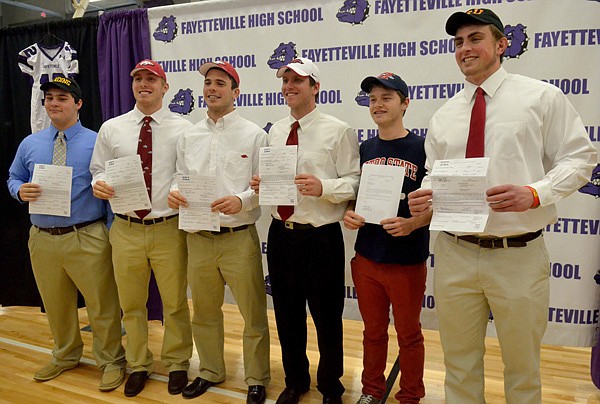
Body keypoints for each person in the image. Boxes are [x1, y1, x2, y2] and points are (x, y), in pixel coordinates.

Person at [407, 9, 597, 404]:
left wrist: (535, 192)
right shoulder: (445, 114)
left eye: (475, 38)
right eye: (458, 42)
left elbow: (580, 158)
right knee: (458, 366)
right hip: (454, 252)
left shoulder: (541, 97)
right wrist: (425, 195)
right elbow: (434, 174)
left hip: (517, 255)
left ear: (501, 44)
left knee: (523, 369)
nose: (465, 49)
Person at [251, 57, 360, 404]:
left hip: (321, 237)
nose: (289, 87)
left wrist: (323, 187)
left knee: (328, 317)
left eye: (298, 81)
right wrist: (262, 184)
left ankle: (331, 386)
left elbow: (355, 181)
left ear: (315, 87)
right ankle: (296, 381)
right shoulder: (276, 131)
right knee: (286, 313)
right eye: (285, 81)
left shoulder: (338, 129)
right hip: (282, 233)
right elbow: (276, 179)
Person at [7, 76, 126, 392]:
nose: (54, 103)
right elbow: (13, 176)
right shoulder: (31, 144)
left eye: (62, 97)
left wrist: (112, 231)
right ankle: (65, 354)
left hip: (86, 234)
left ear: (78, 103)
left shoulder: (97, 140)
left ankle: (112, 360)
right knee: (56, 304)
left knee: (102, 305)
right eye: (49, 98)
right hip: (43, 237)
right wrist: (19, 190)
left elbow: (111, 188)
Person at [168, 61, 270, 403]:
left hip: (238, 237)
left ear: (235, 92)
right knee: (205, 313)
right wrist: (174, 192)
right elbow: (179, 176)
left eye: (220, 83)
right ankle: (210, 370)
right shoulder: (189, 135)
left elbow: (265, 184)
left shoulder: (255, 134)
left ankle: (256, 377)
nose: (212, 88)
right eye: (208, 83)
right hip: (198, 237)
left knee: (253, 313)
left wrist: (242, 200)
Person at [90, 59, 193, 397]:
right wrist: (100, 183)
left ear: (165, 87)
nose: (144, 84)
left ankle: (177, 362)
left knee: (174, 302)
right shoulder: (112, 128)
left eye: (152, 79)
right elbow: (98, 170)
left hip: (168, 226)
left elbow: (185, 171)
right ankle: (138, 363)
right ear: (132, 85)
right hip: (125, 228)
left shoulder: (183, 128)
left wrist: (180, 188)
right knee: (131, 304)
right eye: (138, 79)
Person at [344, 73, 430, 404]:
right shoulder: (365, 148)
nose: (378, 105)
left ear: (405, 103)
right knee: (373, 332)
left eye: (387, 98)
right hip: (367, 255)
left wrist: (414, 223)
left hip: (406, 258)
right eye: (373, 99)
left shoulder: (422, 147)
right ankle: (370, 389)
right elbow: (355, 195)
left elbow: (439, 204)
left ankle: (410, 394)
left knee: (409, 335)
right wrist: (349, 212)